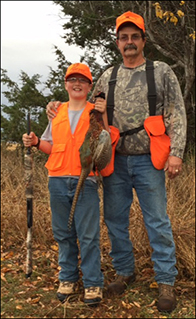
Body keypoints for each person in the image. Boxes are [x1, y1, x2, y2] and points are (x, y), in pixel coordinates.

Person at [45, 11, 187, 313]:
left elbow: (177, 112)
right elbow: (82, 105)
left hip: (150, 161)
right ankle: (125, 271)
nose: (130, 42)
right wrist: (55, 106)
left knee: (157, 222)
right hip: (115, 162)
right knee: (115, 222)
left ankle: (165, 281)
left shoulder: (160, 71)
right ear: (118, 43)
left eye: (135, 36)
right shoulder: (108, 76)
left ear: (144, 40)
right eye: (124, 37)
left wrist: (176, 152)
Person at [22, 63, 119, 306]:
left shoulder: (94, 112)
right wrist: (34, 142)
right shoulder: (57, 113)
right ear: (66, 84)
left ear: (89, 86)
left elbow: (105, 144)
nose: (77, 84)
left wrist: (103, 114)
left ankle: (93, 283)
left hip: (85, 180)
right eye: (72, 79)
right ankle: (67, 277)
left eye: (82, 80)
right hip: (57, 179)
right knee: (63, 233)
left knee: (88, 235)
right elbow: (50, 146)